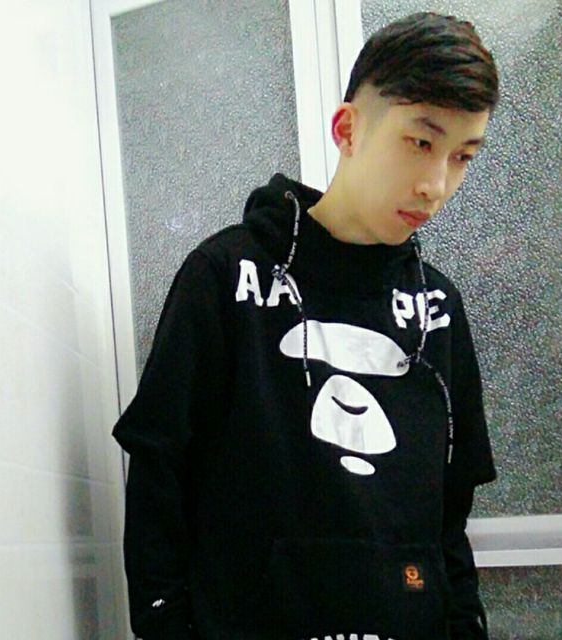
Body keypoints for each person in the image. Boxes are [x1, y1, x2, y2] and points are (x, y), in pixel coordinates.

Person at [112, 11, 499, 640]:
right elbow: (158, 476)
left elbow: (448, 517)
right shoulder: (226, 276)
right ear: (348, 129)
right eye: (420, 143)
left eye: (463, 157)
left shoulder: (437, 308)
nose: (436, 185)